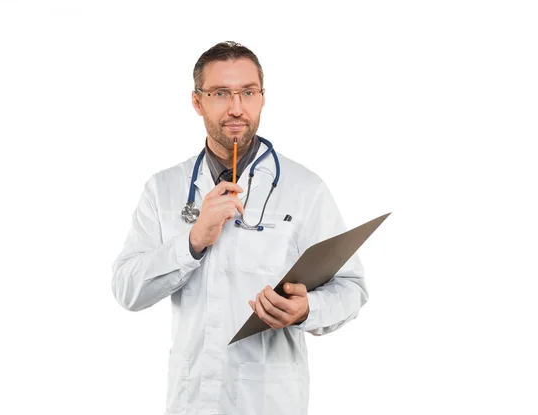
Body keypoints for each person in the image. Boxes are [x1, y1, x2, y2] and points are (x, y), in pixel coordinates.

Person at [111, 41, 368, 415]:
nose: (236, 108)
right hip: (193, 400)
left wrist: (307, 309)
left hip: (270, 401)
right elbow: (126, 289)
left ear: (263, 98)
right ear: (197, 102)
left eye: (247, 92)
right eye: (220, 94)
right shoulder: (163, 188)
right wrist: (194, 241)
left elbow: (352, 288)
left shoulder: (305, 189)